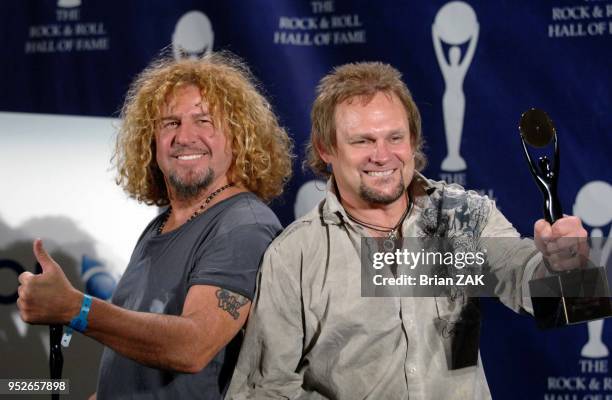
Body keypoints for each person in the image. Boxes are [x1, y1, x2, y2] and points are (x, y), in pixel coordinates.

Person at [226, 62, 588, 399]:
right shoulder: (294, 256)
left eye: (395, 138)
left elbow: (559, 300)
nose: (382, 155)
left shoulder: (459, 216)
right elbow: (263, 390)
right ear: (326, 149)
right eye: (362, 141)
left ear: (413, 142)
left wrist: (563, 267)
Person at [17, 52, 293, 399]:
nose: (185, 136)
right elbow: (133, 373)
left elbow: (192, 347)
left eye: (204, 121)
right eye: (170, 123)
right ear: (152, 141)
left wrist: (76, 307)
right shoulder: (160, 225)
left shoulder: (243, 225)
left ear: (239, 137)